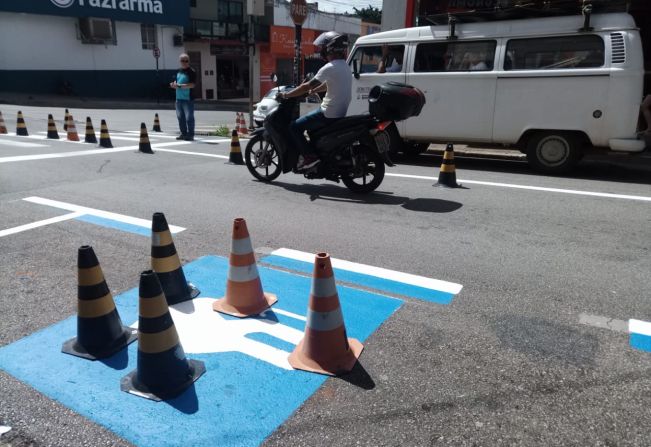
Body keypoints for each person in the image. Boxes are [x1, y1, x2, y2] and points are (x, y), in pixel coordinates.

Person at [279, 31, 352, 171]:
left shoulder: (330, 67)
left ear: (329, 49)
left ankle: (309, 156)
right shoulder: (344, 66)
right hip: (340, 112)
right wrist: (315, 90)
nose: (322, 51)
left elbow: (306, 85)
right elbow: (329, 84)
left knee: (294, 127)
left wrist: (287, 95)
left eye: (323, 48)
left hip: (328, 112)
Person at [170, 53, 196, 141]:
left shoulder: (191, 71)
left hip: (188, 99)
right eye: (182, 60)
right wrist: (173, 84)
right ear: (180, 61)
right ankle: (183, 133)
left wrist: (179, 86)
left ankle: (191, 134)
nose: (184, 62)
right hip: (178, 98)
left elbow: (192, 85)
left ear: (189, 61)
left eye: (186, 60)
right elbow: (175, 82)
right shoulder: (178, 71)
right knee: (180, 117)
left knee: (189, 118)